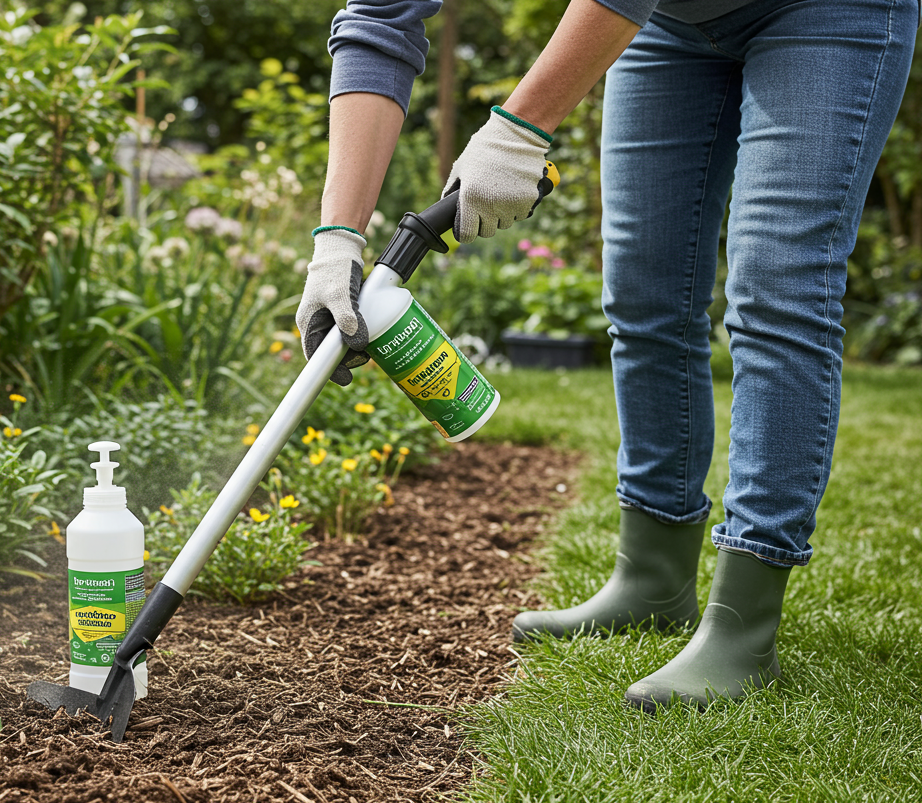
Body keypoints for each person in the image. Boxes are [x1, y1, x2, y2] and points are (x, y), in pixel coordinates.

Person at [297, 0, 917, 710]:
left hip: (825, 11)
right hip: (670, 24)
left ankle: (744, 622)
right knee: (646, 291)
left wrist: (518, 128)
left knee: (778, 288)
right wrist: (335, 240)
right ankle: (654, 575)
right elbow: (379, 25)